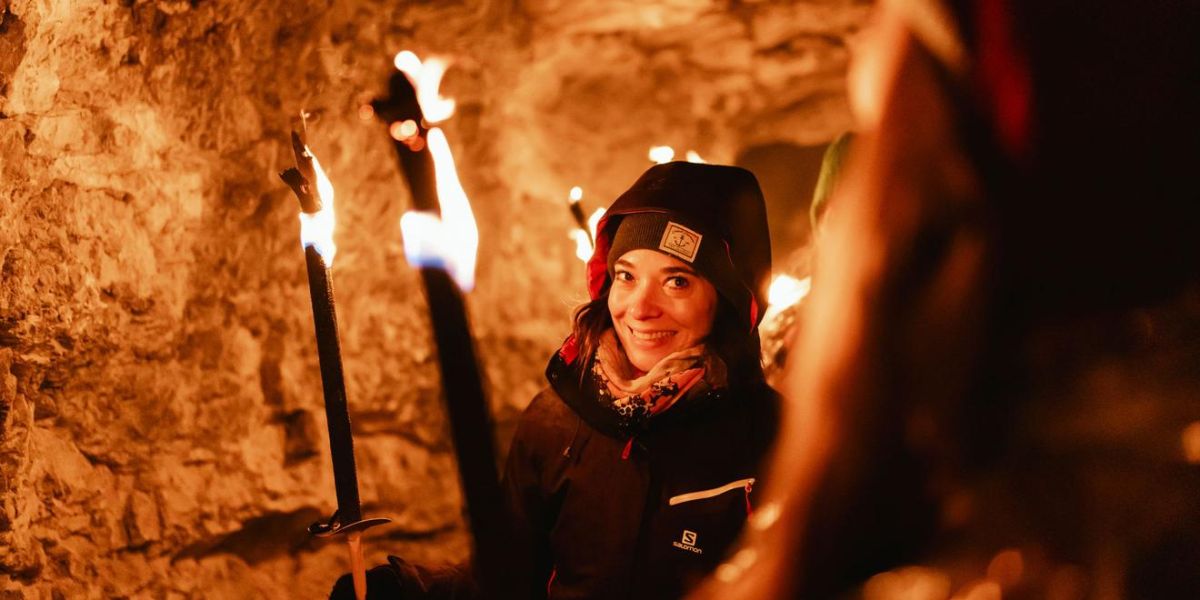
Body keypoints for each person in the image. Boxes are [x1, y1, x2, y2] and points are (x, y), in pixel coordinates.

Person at [332, 161, 780, 599]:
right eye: (626, 276)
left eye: (677, 282)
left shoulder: (776, 437)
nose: (640, 308)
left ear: (727, 301)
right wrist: (408, 590)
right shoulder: (557, 421)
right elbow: (508, 579)